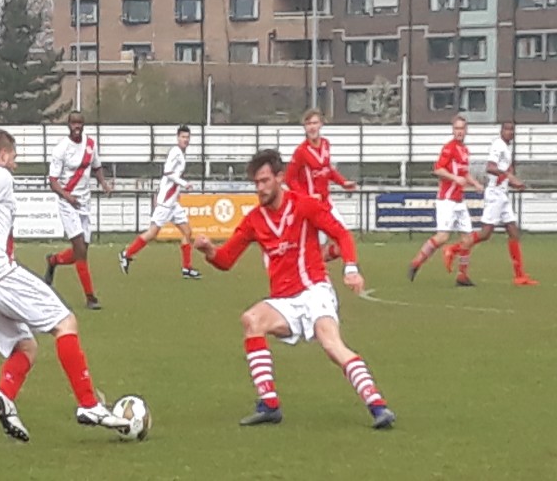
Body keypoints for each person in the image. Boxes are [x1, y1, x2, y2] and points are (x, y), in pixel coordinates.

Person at [0, 129, 128, 442]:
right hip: (0, 276)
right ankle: (89, 404)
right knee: (65, 322)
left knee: (26, 346)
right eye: (15, 158)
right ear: (4, 154)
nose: (16, 165)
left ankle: (5, 396)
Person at [193, 149, 395, 430]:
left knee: (331, 343)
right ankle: (269, 404)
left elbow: (341, 234)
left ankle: (377, 405)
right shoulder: (254, 220)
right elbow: (226, 260)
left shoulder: (304, 205)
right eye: (256, 183)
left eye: (264, 181)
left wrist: (350, 268)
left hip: (314, 291)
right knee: (252, 320)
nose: (260, 188)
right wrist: (209, 250)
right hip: (284, 301)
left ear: (279, 178)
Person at [442, 122, 538, 286]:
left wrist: (515, 182)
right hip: (495, 195)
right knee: (485, 233)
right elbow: (490, 167)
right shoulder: (498, 146)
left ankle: (520, 275)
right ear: (501, 131)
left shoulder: (506, 149)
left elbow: (505, 172)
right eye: (507, 129)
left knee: (514, 233)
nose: (510, 132)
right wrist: (509, 177)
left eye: (512, 130)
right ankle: (454, 249)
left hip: (502, 195)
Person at [43, 112, 113, 310]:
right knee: (81, 252)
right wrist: (67, 197)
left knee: (80, 251)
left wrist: (104, 184)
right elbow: (53, 181)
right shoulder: (61, 149)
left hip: (84, 204)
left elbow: (97, 167)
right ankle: (90, 297)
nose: (77, 126)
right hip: (67, 204)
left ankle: (54, 260)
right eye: (74, 123)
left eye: (80, 123)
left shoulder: (90, 144)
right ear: (68, 125)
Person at [408, 115, 484, 286]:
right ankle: (416, 263)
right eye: (457, 128)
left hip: (459, 200)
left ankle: (462, 276)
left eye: (462, 128)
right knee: (442, 237)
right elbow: (438, 169)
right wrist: (454, 179)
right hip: (447, 200)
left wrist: (476, 183)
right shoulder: (449, 148)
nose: (459, 132)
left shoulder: (464, 150)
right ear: (453, 130)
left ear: (466, 130)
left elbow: (464, 173)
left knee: (468, 239)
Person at [118, 125, 201, 279]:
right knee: (153, 233)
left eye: (187, 137)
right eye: (183, 137)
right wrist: (184, 184)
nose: (186, 140)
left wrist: (177, 193)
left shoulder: (181, 154)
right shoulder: (175, 152)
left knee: (187, 232)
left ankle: (187, 268)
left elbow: (170, 178)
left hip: (172, 202)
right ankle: (126, 254)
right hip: (165, 202)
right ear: (178, 138)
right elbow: (167, 172)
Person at [285, 109, 356, 262]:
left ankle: (318, 264)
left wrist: (343, 183)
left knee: (343, 240)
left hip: (326, 202)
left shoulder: (325, 144)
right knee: (315, 245)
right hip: (312, 206)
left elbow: (328, 170)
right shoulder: (301, 152)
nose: (312, 127)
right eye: (308, 123)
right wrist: (305, 196)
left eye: (315, 123)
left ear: (321, 124)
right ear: (304, 127)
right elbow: (289, 179)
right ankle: (315, 271)